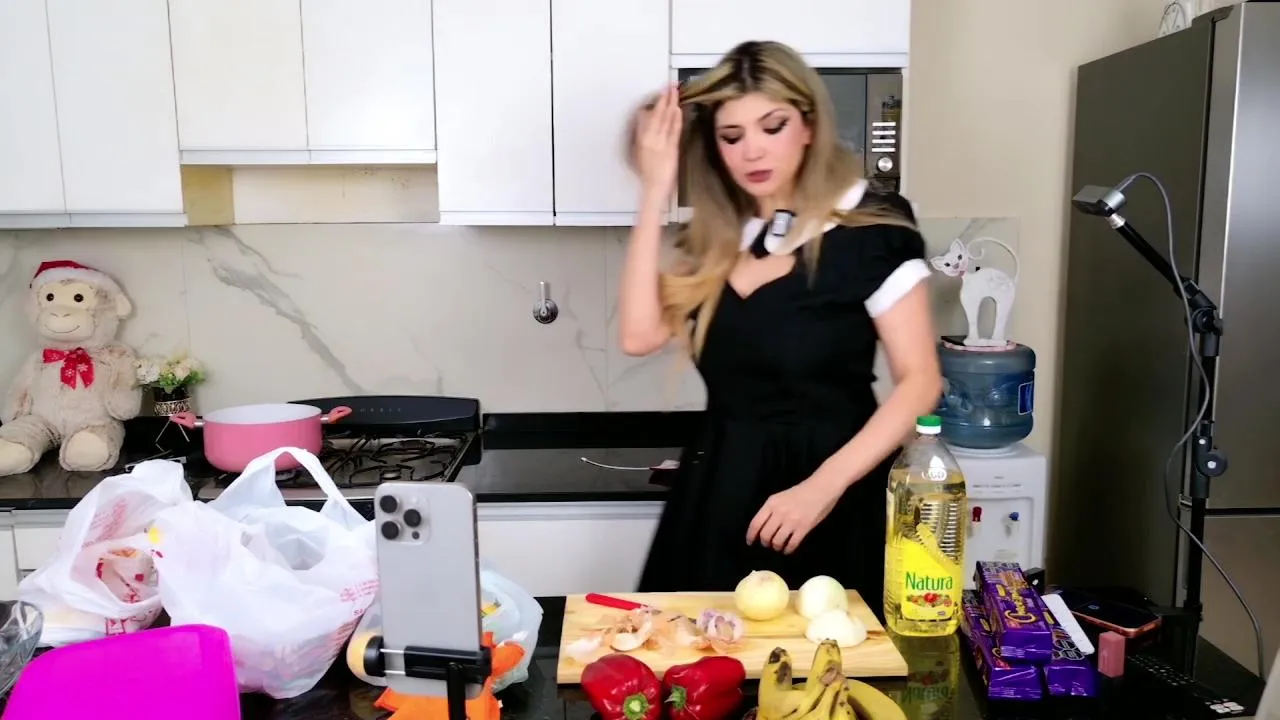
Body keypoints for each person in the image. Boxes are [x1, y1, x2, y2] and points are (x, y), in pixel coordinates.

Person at [618, 40, 942, 609]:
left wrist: (822, 488)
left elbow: (921, 382)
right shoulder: (721, 238)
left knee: (830, 655)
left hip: (831, 499)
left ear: (809, 126)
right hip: (717, 497)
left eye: (773, 126)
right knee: (699, 656)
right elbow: (638, 334)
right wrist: (654, 190)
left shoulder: (872, 229)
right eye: (732, 136)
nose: (753, 151)